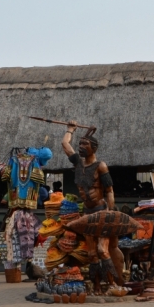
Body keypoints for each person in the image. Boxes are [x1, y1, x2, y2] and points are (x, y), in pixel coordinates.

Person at [61, 121, 124, 286]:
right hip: (88, 214)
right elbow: (65, 144)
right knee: (91, 254)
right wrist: (70, 130)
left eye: (85, 143)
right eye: (80, 143)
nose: (81, 146)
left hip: (101, 212)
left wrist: (110, 212)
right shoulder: (78, 163)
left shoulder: (100, 166)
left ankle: (112, 285)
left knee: (102, 250)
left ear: (94, 148)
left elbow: (109, 190)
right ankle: (96, 287)